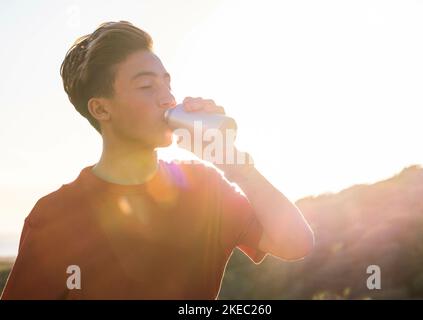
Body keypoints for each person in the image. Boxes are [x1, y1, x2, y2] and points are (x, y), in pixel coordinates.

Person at [1, 21, 314, 300]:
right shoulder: (53, 216)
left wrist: (233, 163)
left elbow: (294, 243)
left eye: (167, 83)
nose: (168, 98)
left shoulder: (205, 188)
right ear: (101, 109)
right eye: (147, 86)